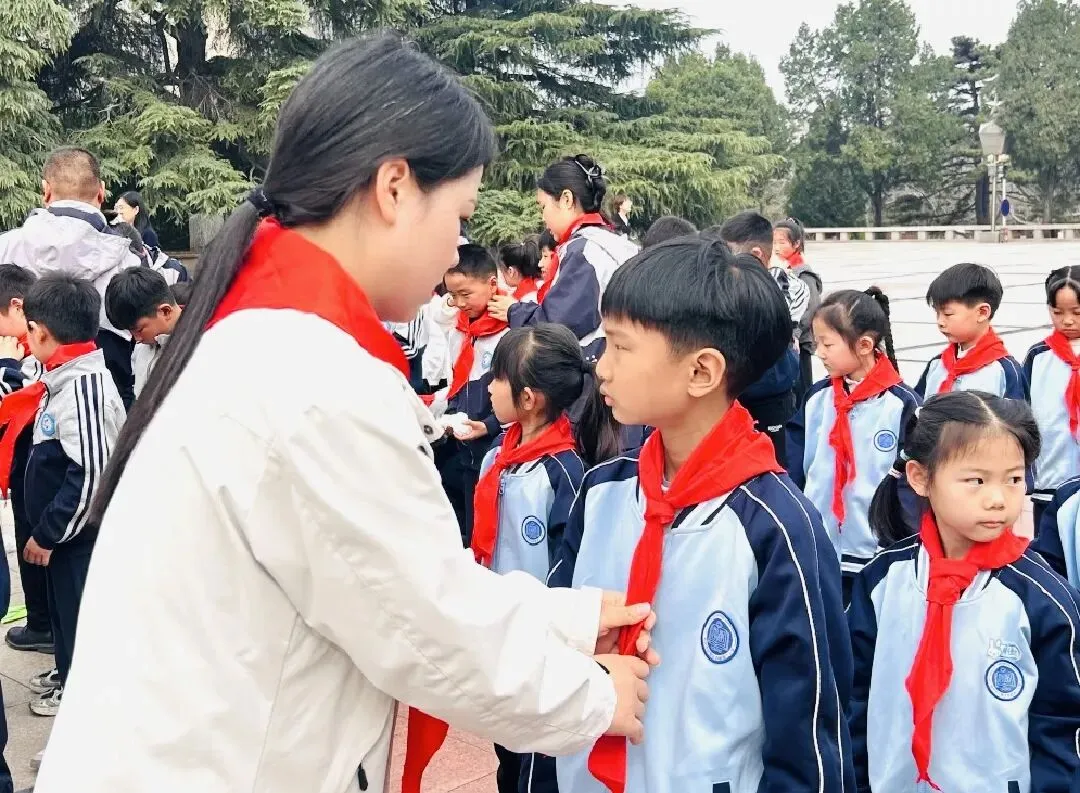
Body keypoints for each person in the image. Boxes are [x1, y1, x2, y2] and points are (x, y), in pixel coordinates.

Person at [34, 35, 656, 793]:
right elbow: (428, 632)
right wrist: (597, 696)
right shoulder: (316, 378)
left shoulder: (264, 333)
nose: (456, 248)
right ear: (394, 188)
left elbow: (402, 583)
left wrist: (573, 619)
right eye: (457, 214)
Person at [539, 237, 853, 793]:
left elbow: (806, 731)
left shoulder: (777, 528)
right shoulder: (601, 493)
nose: (600, 367)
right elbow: (557, 656)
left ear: (702, 371)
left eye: (620, 346)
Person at [406, 323, 621, 793]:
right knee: (507, 745)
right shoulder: (497, 457)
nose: (488, 387)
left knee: (535, 756)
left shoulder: (563, 471)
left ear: (528, 399)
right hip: (499, 626)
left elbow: (568, 565)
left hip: (541, 637)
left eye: (497, 378)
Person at [855, 391, 1080, 792]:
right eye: (976, 480)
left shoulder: (1041, 600)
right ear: (920, 478)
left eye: (1013, 479)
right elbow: (855, 698)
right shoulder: (882, 581)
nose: (998, 499)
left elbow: (1062, 727)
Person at [5, 274, 125, 720]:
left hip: (76, 538)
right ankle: (66, 670)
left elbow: (91, 473)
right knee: (62, 613)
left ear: (40, 333)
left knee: (78, 615)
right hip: (62, 536)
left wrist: (50, 533)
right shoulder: (62, 375)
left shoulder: (84, 387)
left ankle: (79, 691)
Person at [786, 288, 920, 602]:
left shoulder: (902, 405)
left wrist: (898, 539)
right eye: (817, 343)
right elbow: (795, 463)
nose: (819, 353)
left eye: (827, 344)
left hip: (874, 546)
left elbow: (913, 484)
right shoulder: (818, 398)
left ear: (864, 345)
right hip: (820, 539)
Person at [0, 147, 140, 408]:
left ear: (46, 190)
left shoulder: (6, 248)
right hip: (107, 401)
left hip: (16, 396)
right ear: (101, 193)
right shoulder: (129, 261)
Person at [489, 155, 637, 362]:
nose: (543, 218)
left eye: (543, 207)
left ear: (566, 199)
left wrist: (514, 311)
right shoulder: (608, 241)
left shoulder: (585, 251)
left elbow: (557, 327)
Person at [430, 243, 510, 539]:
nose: (459, 303)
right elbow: (456, 379)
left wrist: (489, 425)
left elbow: (518, 395)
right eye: (453, 295)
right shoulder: (460, 327)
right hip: (459, 438)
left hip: (491, 442)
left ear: (492, 284)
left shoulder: (509, 331)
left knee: (484, 522)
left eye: (466, 294)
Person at [715, 213, 804, 460]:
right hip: (736, 398)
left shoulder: (776, 289)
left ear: (756, 254)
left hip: (768, 401)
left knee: (771, 463)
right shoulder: (730, 287)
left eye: (728, 253)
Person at [0, 265, 53, 657]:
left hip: (39, 465)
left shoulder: (36, 348)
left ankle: (46, 625)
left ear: (17, 307)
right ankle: (40, 622)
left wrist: (8, 369)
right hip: (25, 466)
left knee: (38, 543)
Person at [915, 262, 1027, 401]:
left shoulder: (1004, 371)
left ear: (982, 312)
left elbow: (1018, 413)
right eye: (937, 313)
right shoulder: (937, 364)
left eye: (948, 314)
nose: (940, 322)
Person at [1024, 265, 1080, 530]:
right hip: (1050, 479)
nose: (1067, 321)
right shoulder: (1038, 356)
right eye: (1058, 313)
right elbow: (1022, 411)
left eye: (1077, 313)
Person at [104, 268, 182, 399]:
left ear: (165, 311)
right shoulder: (143, 347)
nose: (137, 339)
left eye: (139, 330)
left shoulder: (200, 347)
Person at [773, 218, 822, 401]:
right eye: (774, 243)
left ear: (796, 244)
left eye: (782, 243)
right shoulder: (779, 269)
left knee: (802, 389)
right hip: (786, 339)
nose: (776, 248)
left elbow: (811, 309)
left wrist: (795, 332)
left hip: (800, 341)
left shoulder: (803, 272)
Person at [499, 238, 543, 303]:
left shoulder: (524, 298)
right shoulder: (538, 283)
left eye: (502, 272)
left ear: (511, 271)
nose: (501, 276)